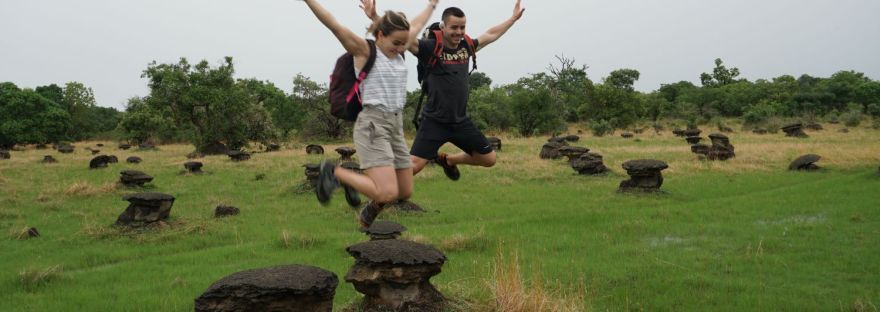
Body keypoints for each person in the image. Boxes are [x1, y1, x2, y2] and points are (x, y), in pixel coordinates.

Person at [303, 0, 438, 229]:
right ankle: (334, 173)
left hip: (395, 125)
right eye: (396, 43)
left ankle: (368, 205)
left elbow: (417, 24)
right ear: (381, 35)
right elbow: (334, 25)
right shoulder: (364, 51)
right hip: (373, 125)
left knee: (404, 191)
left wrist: (431, 5)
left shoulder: (399, 48)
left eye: (404, 43)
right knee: (387, 192)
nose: (401, 48)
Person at [361, 0, 525, 181]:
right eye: (454, 27)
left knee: (489, 158)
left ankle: (449, 160)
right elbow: (400, 37)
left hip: (460, 121)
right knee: (413, 167)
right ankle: (368, 184)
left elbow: (491, 34)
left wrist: (512, 19)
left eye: (462, 27)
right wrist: (375, 17)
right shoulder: (429, 48)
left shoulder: (467, 46)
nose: (459, 32)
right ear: (443, 27)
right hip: (434, 122)